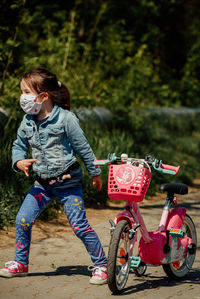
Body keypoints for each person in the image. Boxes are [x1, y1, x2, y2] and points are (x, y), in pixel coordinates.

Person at [0, 68, 107, 284]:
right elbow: (18, 145)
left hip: (68, 183)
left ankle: (102, 265)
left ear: (44, 96)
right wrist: (18, 161)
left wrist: (95, 173)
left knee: (79, 226)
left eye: (25, 91)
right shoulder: (27, 121)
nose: (22, 97)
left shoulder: (66, 119)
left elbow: (83, 148)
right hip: (43, 184)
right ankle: (21, 263)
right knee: (22, 220)